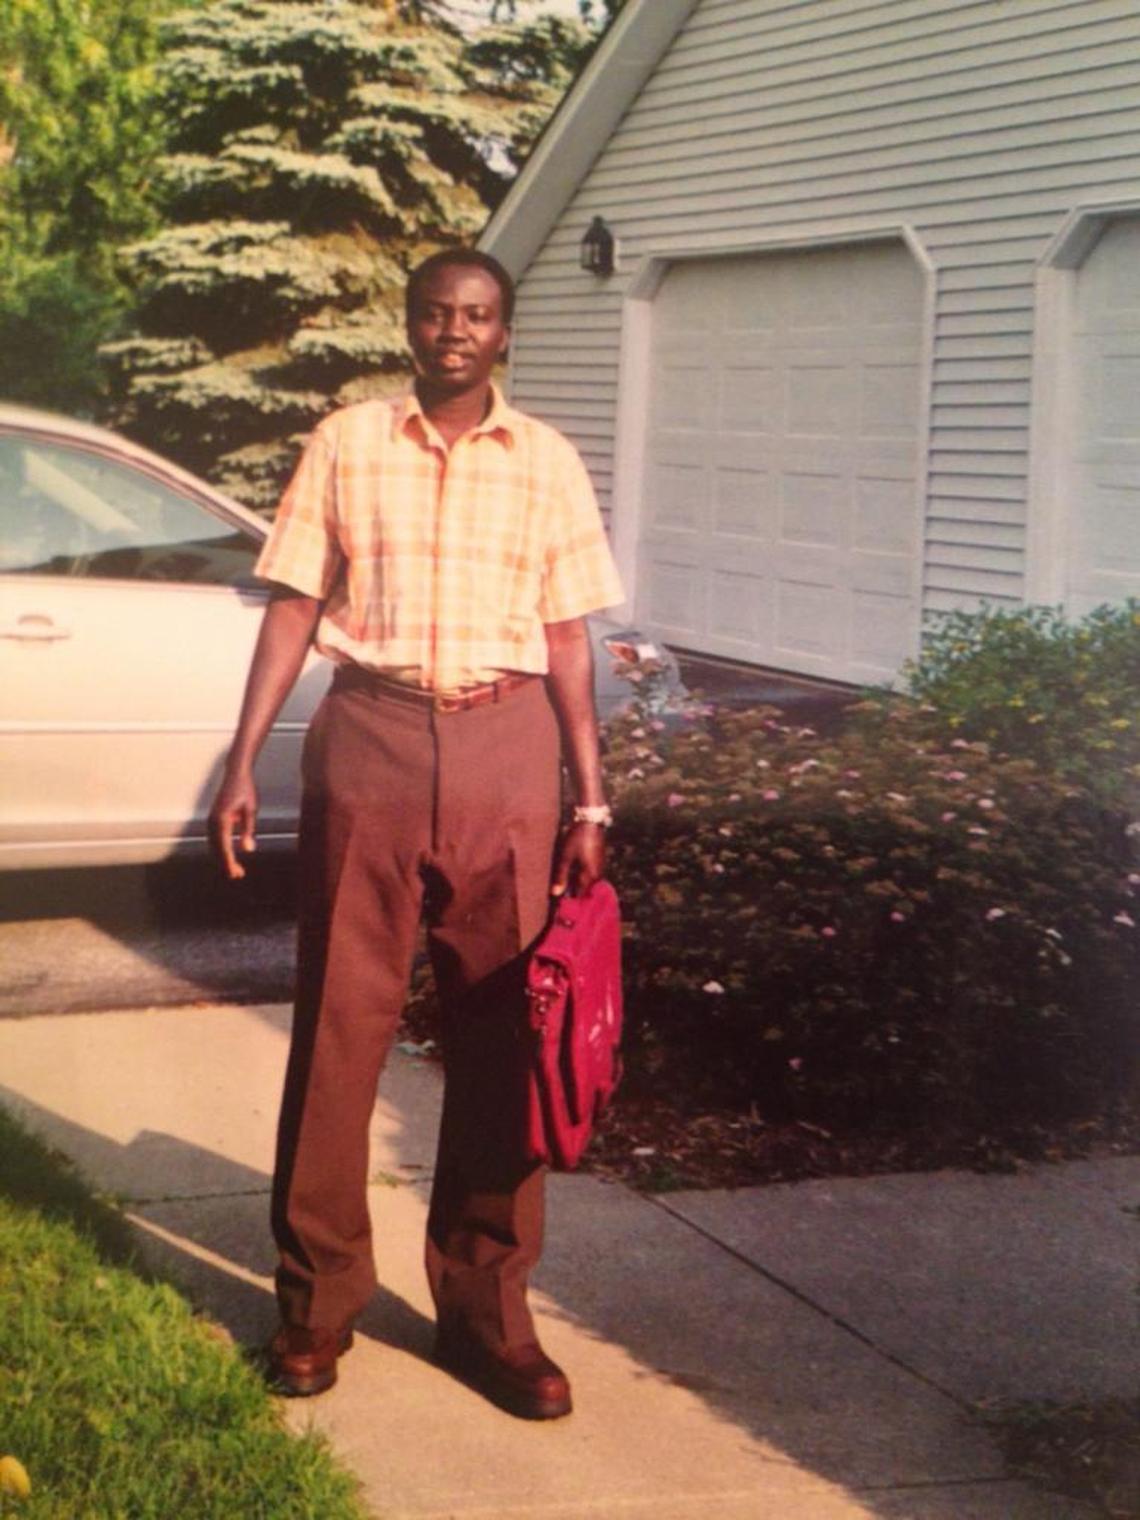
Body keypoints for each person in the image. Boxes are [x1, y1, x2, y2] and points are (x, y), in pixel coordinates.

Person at [209, 247, 623, 1420]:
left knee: (506, 1036)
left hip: (507, 749)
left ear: (505, 333)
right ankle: (317, 1299)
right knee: (341, 1028)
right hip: (372, 741)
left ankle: (487, 1311)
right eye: (436, 312)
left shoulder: (547, 459)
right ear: (409, 325)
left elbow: (568, 637)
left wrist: (589, 796)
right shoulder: (347, 440)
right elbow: (296, 601)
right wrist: (243, 756)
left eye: (477, 315)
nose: (455, 331)